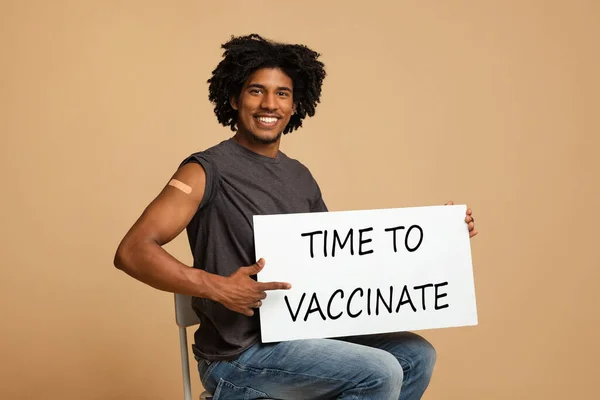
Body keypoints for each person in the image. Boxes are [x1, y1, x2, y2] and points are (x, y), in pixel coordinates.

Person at [114, 33, 478, 400]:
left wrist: (437, 239)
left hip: (301, 331)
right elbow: (132, 250)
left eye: (282, 93)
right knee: (378, 371)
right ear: (234, 99)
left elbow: (340, 264)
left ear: (294, 106)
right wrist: (218, 286)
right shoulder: (206, 170)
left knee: (415, 356)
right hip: (239, 355)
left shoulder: (300, 176)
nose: (268, 104)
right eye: (256, 91)